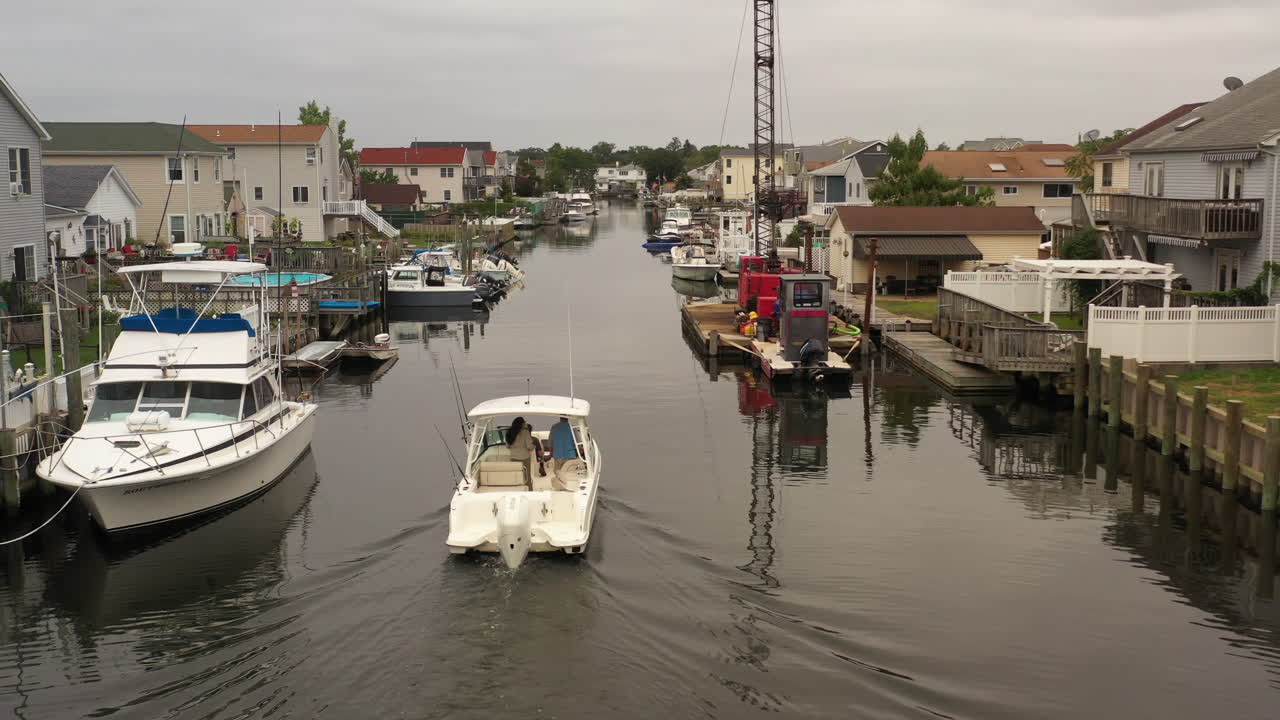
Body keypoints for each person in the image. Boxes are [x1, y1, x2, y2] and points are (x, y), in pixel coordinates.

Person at [505, 417, 537, 486]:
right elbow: (529, 446)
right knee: (526, 477)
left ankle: (517, 491)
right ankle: (529, 492)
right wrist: (534, 446)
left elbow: (507, 446)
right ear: (522, 423)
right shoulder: (525, 432)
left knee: (516, 477)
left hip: (513, 458)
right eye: (524, 422)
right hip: (524, 458)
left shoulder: (509, 432)